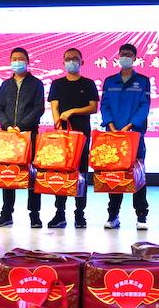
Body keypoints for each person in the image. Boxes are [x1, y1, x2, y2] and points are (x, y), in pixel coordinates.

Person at [0, 48, 45, 228]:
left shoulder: (36, 84)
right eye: (14, 59)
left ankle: (35, 215)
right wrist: (7, 126)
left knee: (33, 174)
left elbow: (38, 109)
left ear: (27, 62)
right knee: (8, 174)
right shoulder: (6, 84)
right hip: (8, 136)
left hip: (29, 135)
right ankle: (6, 213)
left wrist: (20, 126)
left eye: (20, 59)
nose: (17, 62)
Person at [47, 48, 99, 228]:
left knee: (81, 174)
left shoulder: (88, 83)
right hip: (61, 135)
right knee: (60, 172)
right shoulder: (57, 84)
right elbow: (54, 107)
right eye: (68, 59)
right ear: (63, 62)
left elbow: (93, 107)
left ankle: (79, 214)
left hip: (82, 135)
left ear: (82, 62)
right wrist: (58, 123)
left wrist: (73, 111)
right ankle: (59, 213)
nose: (71, 61)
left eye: (75, 59)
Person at [100, 44, 150, 230]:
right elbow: (104, 105)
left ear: (135, 58)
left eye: (129, 55)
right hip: (113, 136)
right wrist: (111, 126)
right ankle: (113, 215)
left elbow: (144, 106)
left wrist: (130, 126)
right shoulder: (110, 81)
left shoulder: (143, 81)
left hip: (134, 135)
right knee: (114, 175)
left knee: (138, 175)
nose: (125, 57)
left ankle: (141, 216)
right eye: (123, 54)